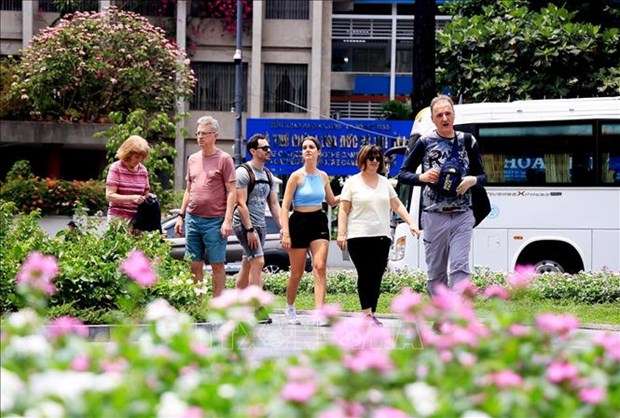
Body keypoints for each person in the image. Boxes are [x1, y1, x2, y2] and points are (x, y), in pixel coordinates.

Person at [398, 95, 487, 296]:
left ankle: (457, 319)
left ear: (454, 115)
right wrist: (422, 177)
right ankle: (440, 316)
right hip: (433, 215)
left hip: (463, 214)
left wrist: (471, 180)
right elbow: (403, 174)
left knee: (459, 268)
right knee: (436, 274)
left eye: (448, 113)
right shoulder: (424, 142)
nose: (445, 118)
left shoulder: (467, 140)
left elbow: (483, 176)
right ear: (433, 118)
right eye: (440, 115)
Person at [337, 145, 419, 326]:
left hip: (381, 236)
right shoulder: (352, 182)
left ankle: (371, 312)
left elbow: (397, 205)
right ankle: (366, 314)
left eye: (377, 158)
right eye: (370, 157)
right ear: (363, 160)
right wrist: (341, 233)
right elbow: (343, 210)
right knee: (365, 274)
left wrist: (412, 223)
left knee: (377, 275)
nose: (374, 161)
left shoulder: (385, 183)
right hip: (358, 237)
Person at [174, 116, 236, 297]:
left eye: (204, 133)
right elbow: (188, 189)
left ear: (215, 135)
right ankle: (197, 303)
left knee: (217, 264)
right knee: (194, 263)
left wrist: (227, 220)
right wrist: (181, 215)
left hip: (215, 221)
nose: (200, 137)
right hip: (193, 218)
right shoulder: (192, 159)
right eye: (198, 133)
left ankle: (217, 305)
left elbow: (232, 191)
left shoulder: (224, 159)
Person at [280, 136, 339, 325]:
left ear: (318, 152)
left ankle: (320, 313)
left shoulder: (323, 176)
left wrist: (351, 192)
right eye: (304, 147)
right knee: (297, 272)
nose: (308, 150)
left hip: (318, 222)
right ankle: (289, 306)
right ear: (302, 153)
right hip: (298, 222)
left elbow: (331, 201)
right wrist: (286, 232)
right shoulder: (296, 176)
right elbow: (284, 207)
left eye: (311, 147)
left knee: (320, 267)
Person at [234, 134, 281, 323]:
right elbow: (240, 203)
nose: (268, 151)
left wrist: (282, 228)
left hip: (261, 225)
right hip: (245, 225)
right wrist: (249, 229)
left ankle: (235, 307)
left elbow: (274, 205)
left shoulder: (268, 174)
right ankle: (256, 309)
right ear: (253, 151)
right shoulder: (243, 172)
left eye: (269, 148)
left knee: (248, 264)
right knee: (259, 262)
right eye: (264, 148)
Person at [105, 135, 151, 222]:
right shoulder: (116, 168)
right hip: (117, 219)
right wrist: (132, 198)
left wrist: (145, 198)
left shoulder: (143, 170)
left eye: (142, 157)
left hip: (137, 219)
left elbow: (146, 194)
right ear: (128, 154)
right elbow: (109, 195)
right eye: (136, 157)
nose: (139, 160)